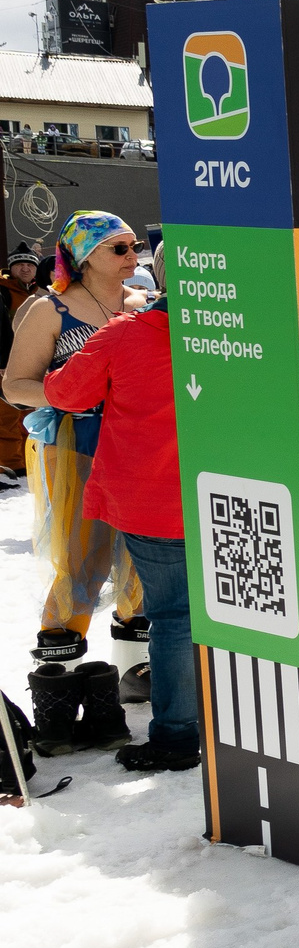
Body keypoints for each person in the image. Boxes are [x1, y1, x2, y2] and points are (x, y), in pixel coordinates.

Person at [39, 289, 197, 771]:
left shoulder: (127, 331)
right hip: (241, 495)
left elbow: (66, 393)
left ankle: (175, 737)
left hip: (155, 500)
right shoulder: (239, 328)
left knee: (173, 618)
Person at [3, 212, 147, 664]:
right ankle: (60, 673)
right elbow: (14, 385)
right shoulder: (49, 308)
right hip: (79, 440)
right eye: (119, 248)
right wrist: (68, 391)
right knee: (84, 556)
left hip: (141, 440)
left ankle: (134, 669)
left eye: (133, 246)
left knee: (145, 555)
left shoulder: (144, 303)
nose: (132, 256)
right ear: (84, 257)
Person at [0, 244, 44, 489]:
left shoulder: (36, 292)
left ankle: (27, 457)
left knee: (29, 412)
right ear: (11, 268)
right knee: (6, 414)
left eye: (30, 264)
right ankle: (13, 462)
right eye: (20, 264)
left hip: (32, 360)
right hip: (8, 362)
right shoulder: (4, 293)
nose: (25, 268)